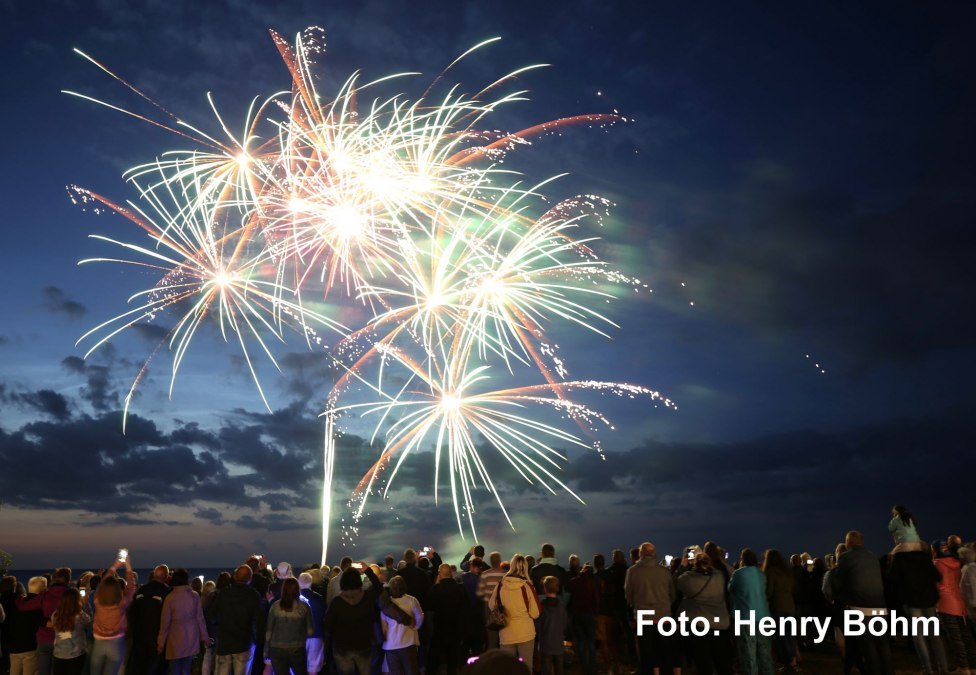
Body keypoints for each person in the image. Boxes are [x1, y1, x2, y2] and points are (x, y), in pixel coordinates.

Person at [829, 531, 893, 675]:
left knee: (869, 648)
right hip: (880, 608)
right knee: (883, 647)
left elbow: (838, 584)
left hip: (860, 608)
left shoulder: (846, 557)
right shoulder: (872, 557)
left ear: (849, 542)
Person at [887, 541, 947, 674]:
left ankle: (928, 668)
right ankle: (943, 668)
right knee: (934, 634)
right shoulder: (924, 557)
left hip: (911, 600)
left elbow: (892, 579)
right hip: (929, 600)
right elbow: (937, 576)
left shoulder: (899, 558)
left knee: (919, 635)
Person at [676, 552, 733, 675]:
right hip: (720, 623)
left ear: (695, 564)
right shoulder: (719, 576)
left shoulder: (688, 578)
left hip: (699, 625)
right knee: (722, 660)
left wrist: (683, 565)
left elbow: (677, 581)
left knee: (703, 661)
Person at [624, 542, 676, 675]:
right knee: (664, 651)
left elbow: (628, 596)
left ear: (640, 554)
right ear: (654, 554)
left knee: (646, 652)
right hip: (663, 615)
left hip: (643, 616)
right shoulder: (665, 572)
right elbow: (672, 595)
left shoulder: (632, 571)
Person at [323, 563, 383, 675]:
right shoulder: (367, 598)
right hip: (364, 645)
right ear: (359, 581)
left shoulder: (337, 602)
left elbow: (327, 626)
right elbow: (379, 587)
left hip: (342, 647)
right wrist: (367, 570)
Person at [487, 555, 540, 670]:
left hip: (506, 634)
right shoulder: (527, 587)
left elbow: (491, 605)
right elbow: (535, 613)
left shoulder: (500, 585)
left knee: (507, 670)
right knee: (526, 669)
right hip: (525, 633)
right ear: (525, 568)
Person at [206, 564, 262, 675]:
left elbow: (211, 616)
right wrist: (257, 640)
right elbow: (259, 621)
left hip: (224, 644)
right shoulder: (253, 595)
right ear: (250, 579)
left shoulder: (223, 593)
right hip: (244, 643)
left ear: (235, 577)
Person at [16, 567, 72, 675]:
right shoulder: (71, 595)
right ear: (67, 581)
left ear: (53, 579)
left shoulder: (45, 594)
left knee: (43, 671)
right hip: (64, 638)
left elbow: (24, 607)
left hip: (44, 638)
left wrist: (20, 597)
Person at [728, 549, 774, 675]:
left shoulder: (738, 574)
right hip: (763, 615)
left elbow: (730, 588)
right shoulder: (761, 574)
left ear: (743, 559)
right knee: (764, 651)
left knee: (748, 652)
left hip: (745, 616)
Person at [934, 539, 976, 673]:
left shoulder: (936, 564)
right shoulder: (957, 564)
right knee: (966, 637)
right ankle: (972, 666)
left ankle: (963, 668)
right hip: (960, 603)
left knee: (955, 638)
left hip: (945, 604)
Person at [157, 569, 209, 675]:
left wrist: (161, 643)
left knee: (174, 669)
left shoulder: (170, 598)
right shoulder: (194, 596)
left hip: (175, 639)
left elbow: (165, 623)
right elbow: (200, 618)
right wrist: (205, 637)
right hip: (191, 638)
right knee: (187, 669)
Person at [90, 557, 136, 675]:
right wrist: (128, 566)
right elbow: (131, 587)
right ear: (118, 590)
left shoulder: (97, 601)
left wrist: (114, 566)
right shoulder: (122, 604)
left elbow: (101, 584)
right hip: (116, 643)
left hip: (99, 642)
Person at [264, 578, 313, 675]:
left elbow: (268, 631)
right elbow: (310, 631)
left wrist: (266, 651)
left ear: (283, 590)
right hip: (297, 647)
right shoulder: (304, 606)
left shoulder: (275, 606)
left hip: (277, 648)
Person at [128, 565, 171, 675]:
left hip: (139, 635)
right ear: (166, 577)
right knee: (154, 667)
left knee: (139, 665)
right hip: (156, 636)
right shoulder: (166, 592)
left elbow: (132, 611)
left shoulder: (142, 590)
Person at [426, 563, 468, 675]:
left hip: (439, 628)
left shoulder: (436, 589)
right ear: (451, 573)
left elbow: (429, 605)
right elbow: (465, 609)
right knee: (452, 659)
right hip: (455, 628)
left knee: (434, 657)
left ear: (439, 574)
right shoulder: (460, 589)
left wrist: (435, 585)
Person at [761, 549, 798, 672]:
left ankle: (789, 662)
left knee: (781, 637)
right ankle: (792, 661)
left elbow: (769, 592)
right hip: (790, 606)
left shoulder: (771, 572)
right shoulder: (787, 572)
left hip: (778, 607)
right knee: (789, 635)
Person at [380, 576, 423, 675]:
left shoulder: (386, 604)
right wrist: (415, 627)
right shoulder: (412, 600)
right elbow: (419, 617)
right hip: (408, 642)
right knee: (411, 671)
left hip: (391, 645)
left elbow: (384, 627)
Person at [567, 564, 599, 675]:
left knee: (581, 642)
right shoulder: (591, 583)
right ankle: (592, 668)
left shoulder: (573, 581)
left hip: (577, 615)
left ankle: (584, 667)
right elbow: (596, 599)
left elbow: (570, 598)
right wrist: (595, 612)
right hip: (589, 614)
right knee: (591, 642)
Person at [51, 589, 90, 675]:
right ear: (77, 600)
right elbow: (89, 620)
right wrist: (86, 604)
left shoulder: (55, 615)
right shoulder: (80, 616)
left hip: (58, 654)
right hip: (76, 655)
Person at [535, 576, 568, 675]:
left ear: (545, 588)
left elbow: (538, 625)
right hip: (558, 643)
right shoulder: (561, 606)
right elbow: (565, 623)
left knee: (546, 670)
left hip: (545, 644)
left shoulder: (542, 607)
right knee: (559, 670)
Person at [297, 573, 326, 675]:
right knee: (313, 670)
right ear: (310, 583)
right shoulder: (319, 598)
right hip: (316, 635)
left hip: (297, 637)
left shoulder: (293, 598)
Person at [478, 553, 506, 651]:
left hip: (488, 607)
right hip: (503, 606)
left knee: (491, 633)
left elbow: (479, 593)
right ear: (499, 561)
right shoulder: (505, 575)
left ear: (491, 561)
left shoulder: (485, 574)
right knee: (504, 632)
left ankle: (492, 656)